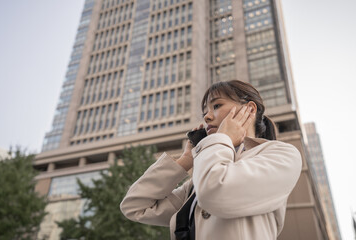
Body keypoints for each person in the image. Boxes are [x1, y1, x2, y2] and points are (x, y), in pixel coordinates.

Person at [120, 80, 302, 240]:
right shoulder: (194, 185)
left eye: (216, 106)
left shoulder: (281, 155)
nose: (207, 116)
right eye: (205, 112)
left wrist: (220, 140)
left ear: (250, 109)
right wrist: (186, 160)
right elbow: (135, 206)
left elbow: (216, 191)